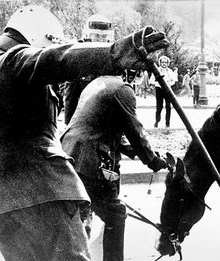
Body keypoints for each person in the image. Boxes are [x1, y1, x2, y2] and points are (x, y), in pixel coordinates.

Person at [0, 5, 168, 261]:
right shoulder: (14, 61)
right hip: (42, 194)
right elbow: (57, 60)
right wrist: (119, 51)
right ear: (37, 37)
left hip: (5, 200)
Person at [61, 72, 168, 261]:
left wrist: (135, 152)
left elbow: (102, 128)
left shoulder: (97, 83)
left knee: (81, 215)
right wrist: (152, 161)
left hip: (70, 154)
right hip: (89, 161)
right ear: (130, 72)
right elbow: (135, 131)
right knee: (116, 215)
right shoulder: (122, 90)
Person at [63, 13, 115, 124]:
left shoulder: (113, 61)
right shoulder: (77, 59)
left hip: (107, 123)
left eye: (104, 37)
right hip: (84, 122)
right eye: (96, 36)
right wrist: (68, 128)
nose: (100, 40)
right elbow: (70, 99)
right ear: (88, 36)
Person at [150, 55, 175, 128]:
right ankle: (157, 121)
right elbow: (151, 80)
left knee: (168, 107)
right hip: (159, 89)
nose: (164, 64)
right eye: (162, 62)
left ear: (168, 63)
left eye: (165, 62)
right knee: (159, 107)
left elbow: (173, 81)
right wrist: (158, 83)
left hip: (167, 90)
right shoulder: (156, 70)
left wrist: (168, 83)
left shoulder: (170, 71)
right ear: (160, 63)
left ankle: (167, 123)